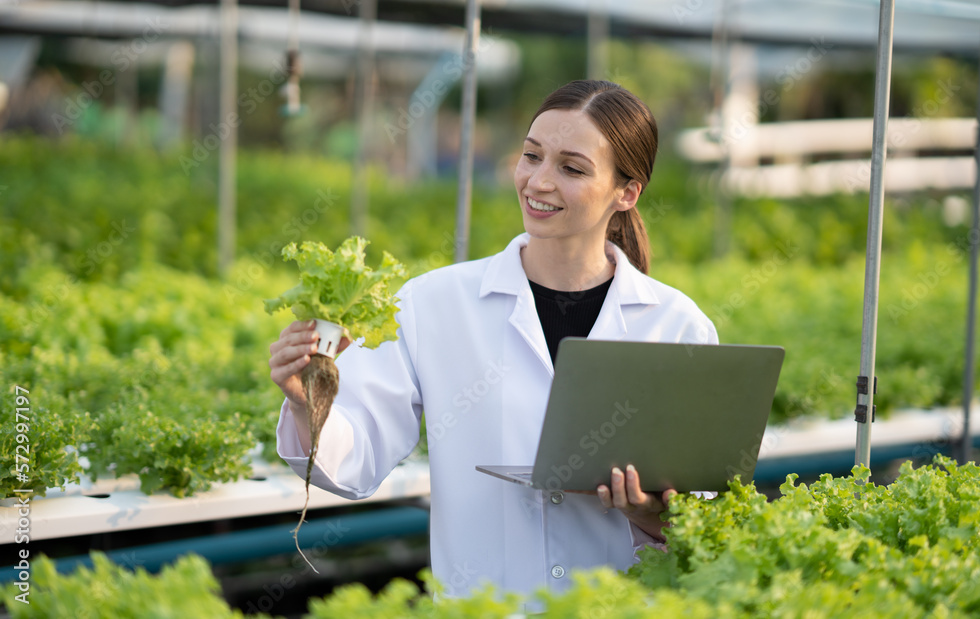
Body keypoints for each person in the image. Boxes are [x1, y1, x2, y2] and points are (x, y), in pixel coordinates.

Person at [269, 79, 718, 599]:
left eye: (571, 168)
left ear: (627, 192)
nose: (538, 182)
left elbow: (705, 524)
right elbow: (356, 464)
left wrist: (646, 509)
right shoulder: (432, 303)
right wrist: (309, 406)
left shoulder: (676, 325)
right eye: (531, 156)